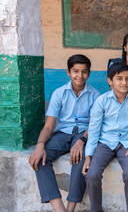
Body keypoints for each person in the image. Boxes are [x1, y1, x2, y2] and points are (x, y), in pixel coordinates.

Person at [28, 54, 100, 212]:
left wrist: (81, 141)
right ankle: (59, 209)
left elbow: (95, 125)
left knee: (80, 160)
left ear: (89, 73)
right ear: (68, 72)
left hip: (84, 134)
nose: (79, 76)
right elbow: (49, 126)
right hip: (62, 134)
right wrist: (40, 145)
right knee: (41, 160)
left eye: (84, 72)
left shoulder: (96, 95)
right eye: (75, 71)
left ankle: (70, 208)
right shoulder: (59, 93)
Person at [82, 62, 128, 212]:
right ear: (110, 81)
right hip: (105, 142)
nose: (124, 83)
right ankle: (96, 209)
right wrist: (88, 155)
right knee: (92, 174)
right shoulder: (102, 101)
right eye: (119, 78)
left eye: (127, 79)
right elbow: (94, 130)